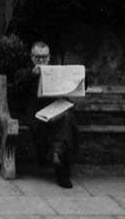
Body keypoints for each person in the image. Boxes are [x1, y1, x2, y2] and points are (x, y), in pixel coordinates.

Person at [7, 40, 79, 188]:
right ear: (31, 57)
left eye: (44, 57)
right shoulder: (23, 73)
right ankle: (61, 170)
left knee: (65, 117)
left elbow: (73, 86)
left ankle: (57, 152)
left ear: (49, 57)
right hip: (37, 116)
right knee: (65, 122)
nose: (41, 61)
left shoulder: (56, 72)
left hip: (57, 112)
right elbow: (15, 94)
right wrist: (32, 75)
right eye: (38, 57)